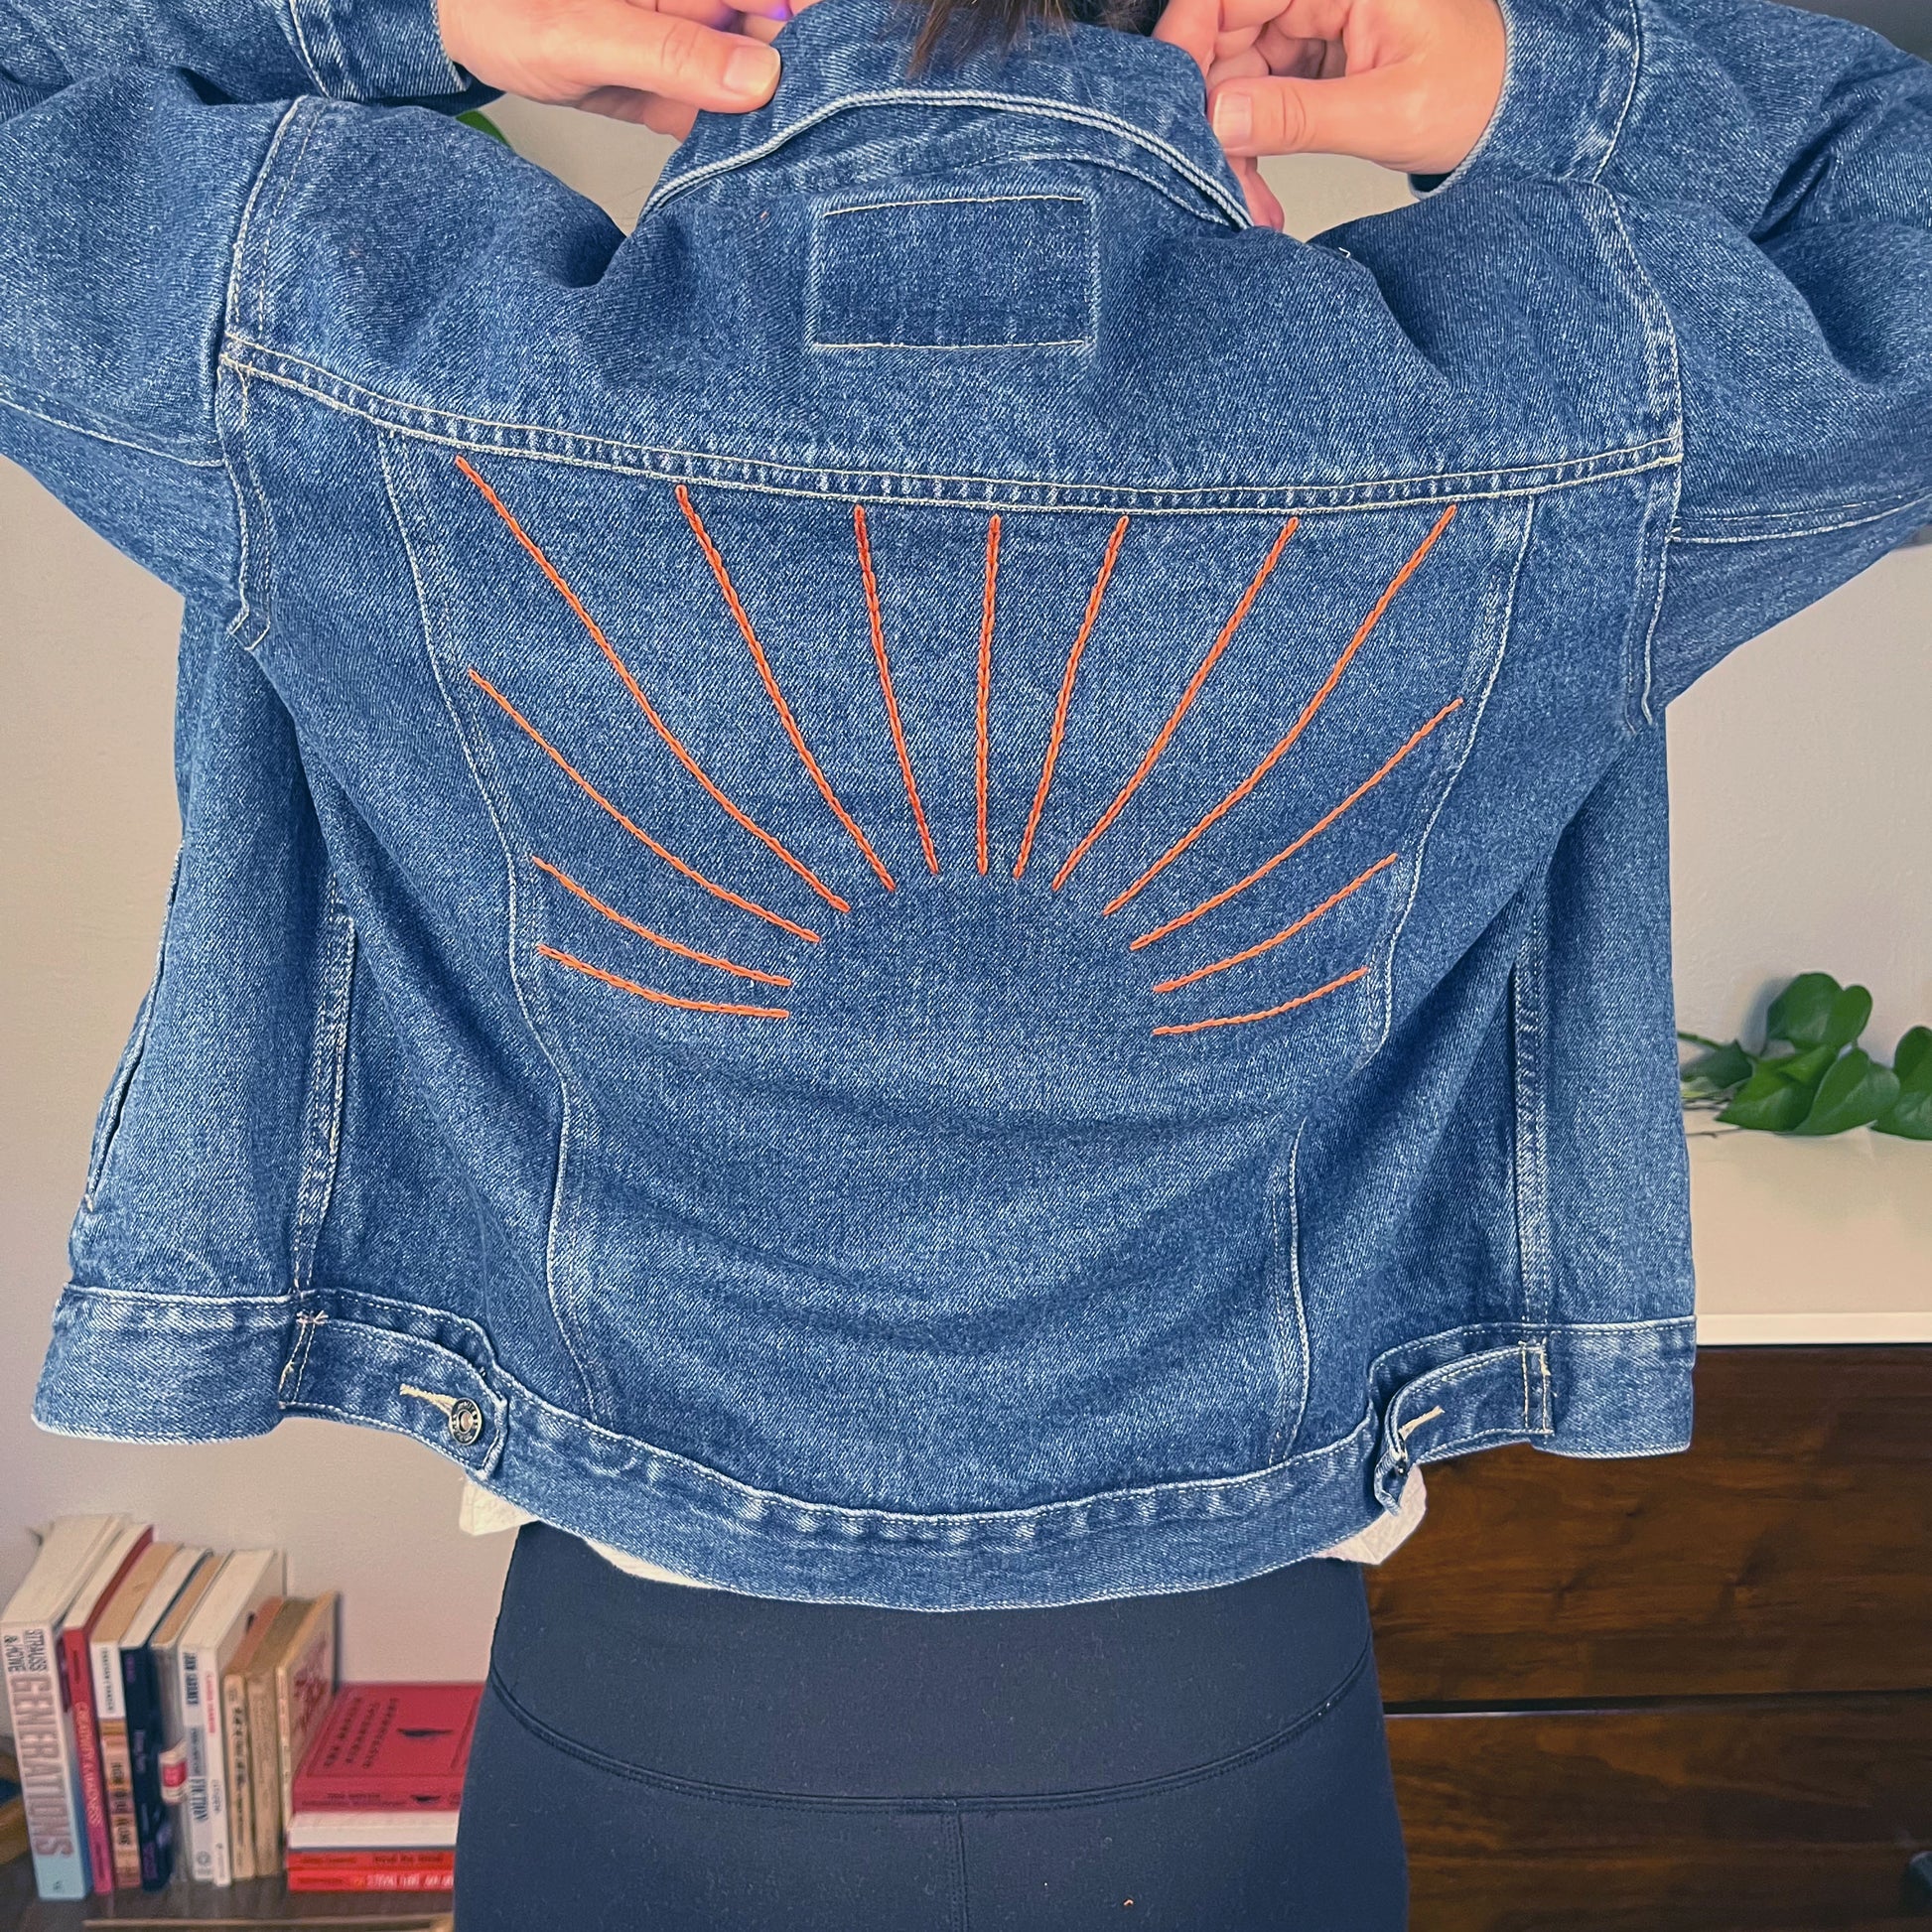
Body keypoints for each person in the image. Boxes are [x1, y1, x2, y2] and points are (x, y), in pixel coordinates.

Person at [5, 0, 1926, 1921]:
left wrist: (398, 17)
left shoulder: (355, 336)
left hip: (631, 1723)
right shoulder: (1551, 400)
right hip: (1227, 1731)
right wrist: (1543, 78)